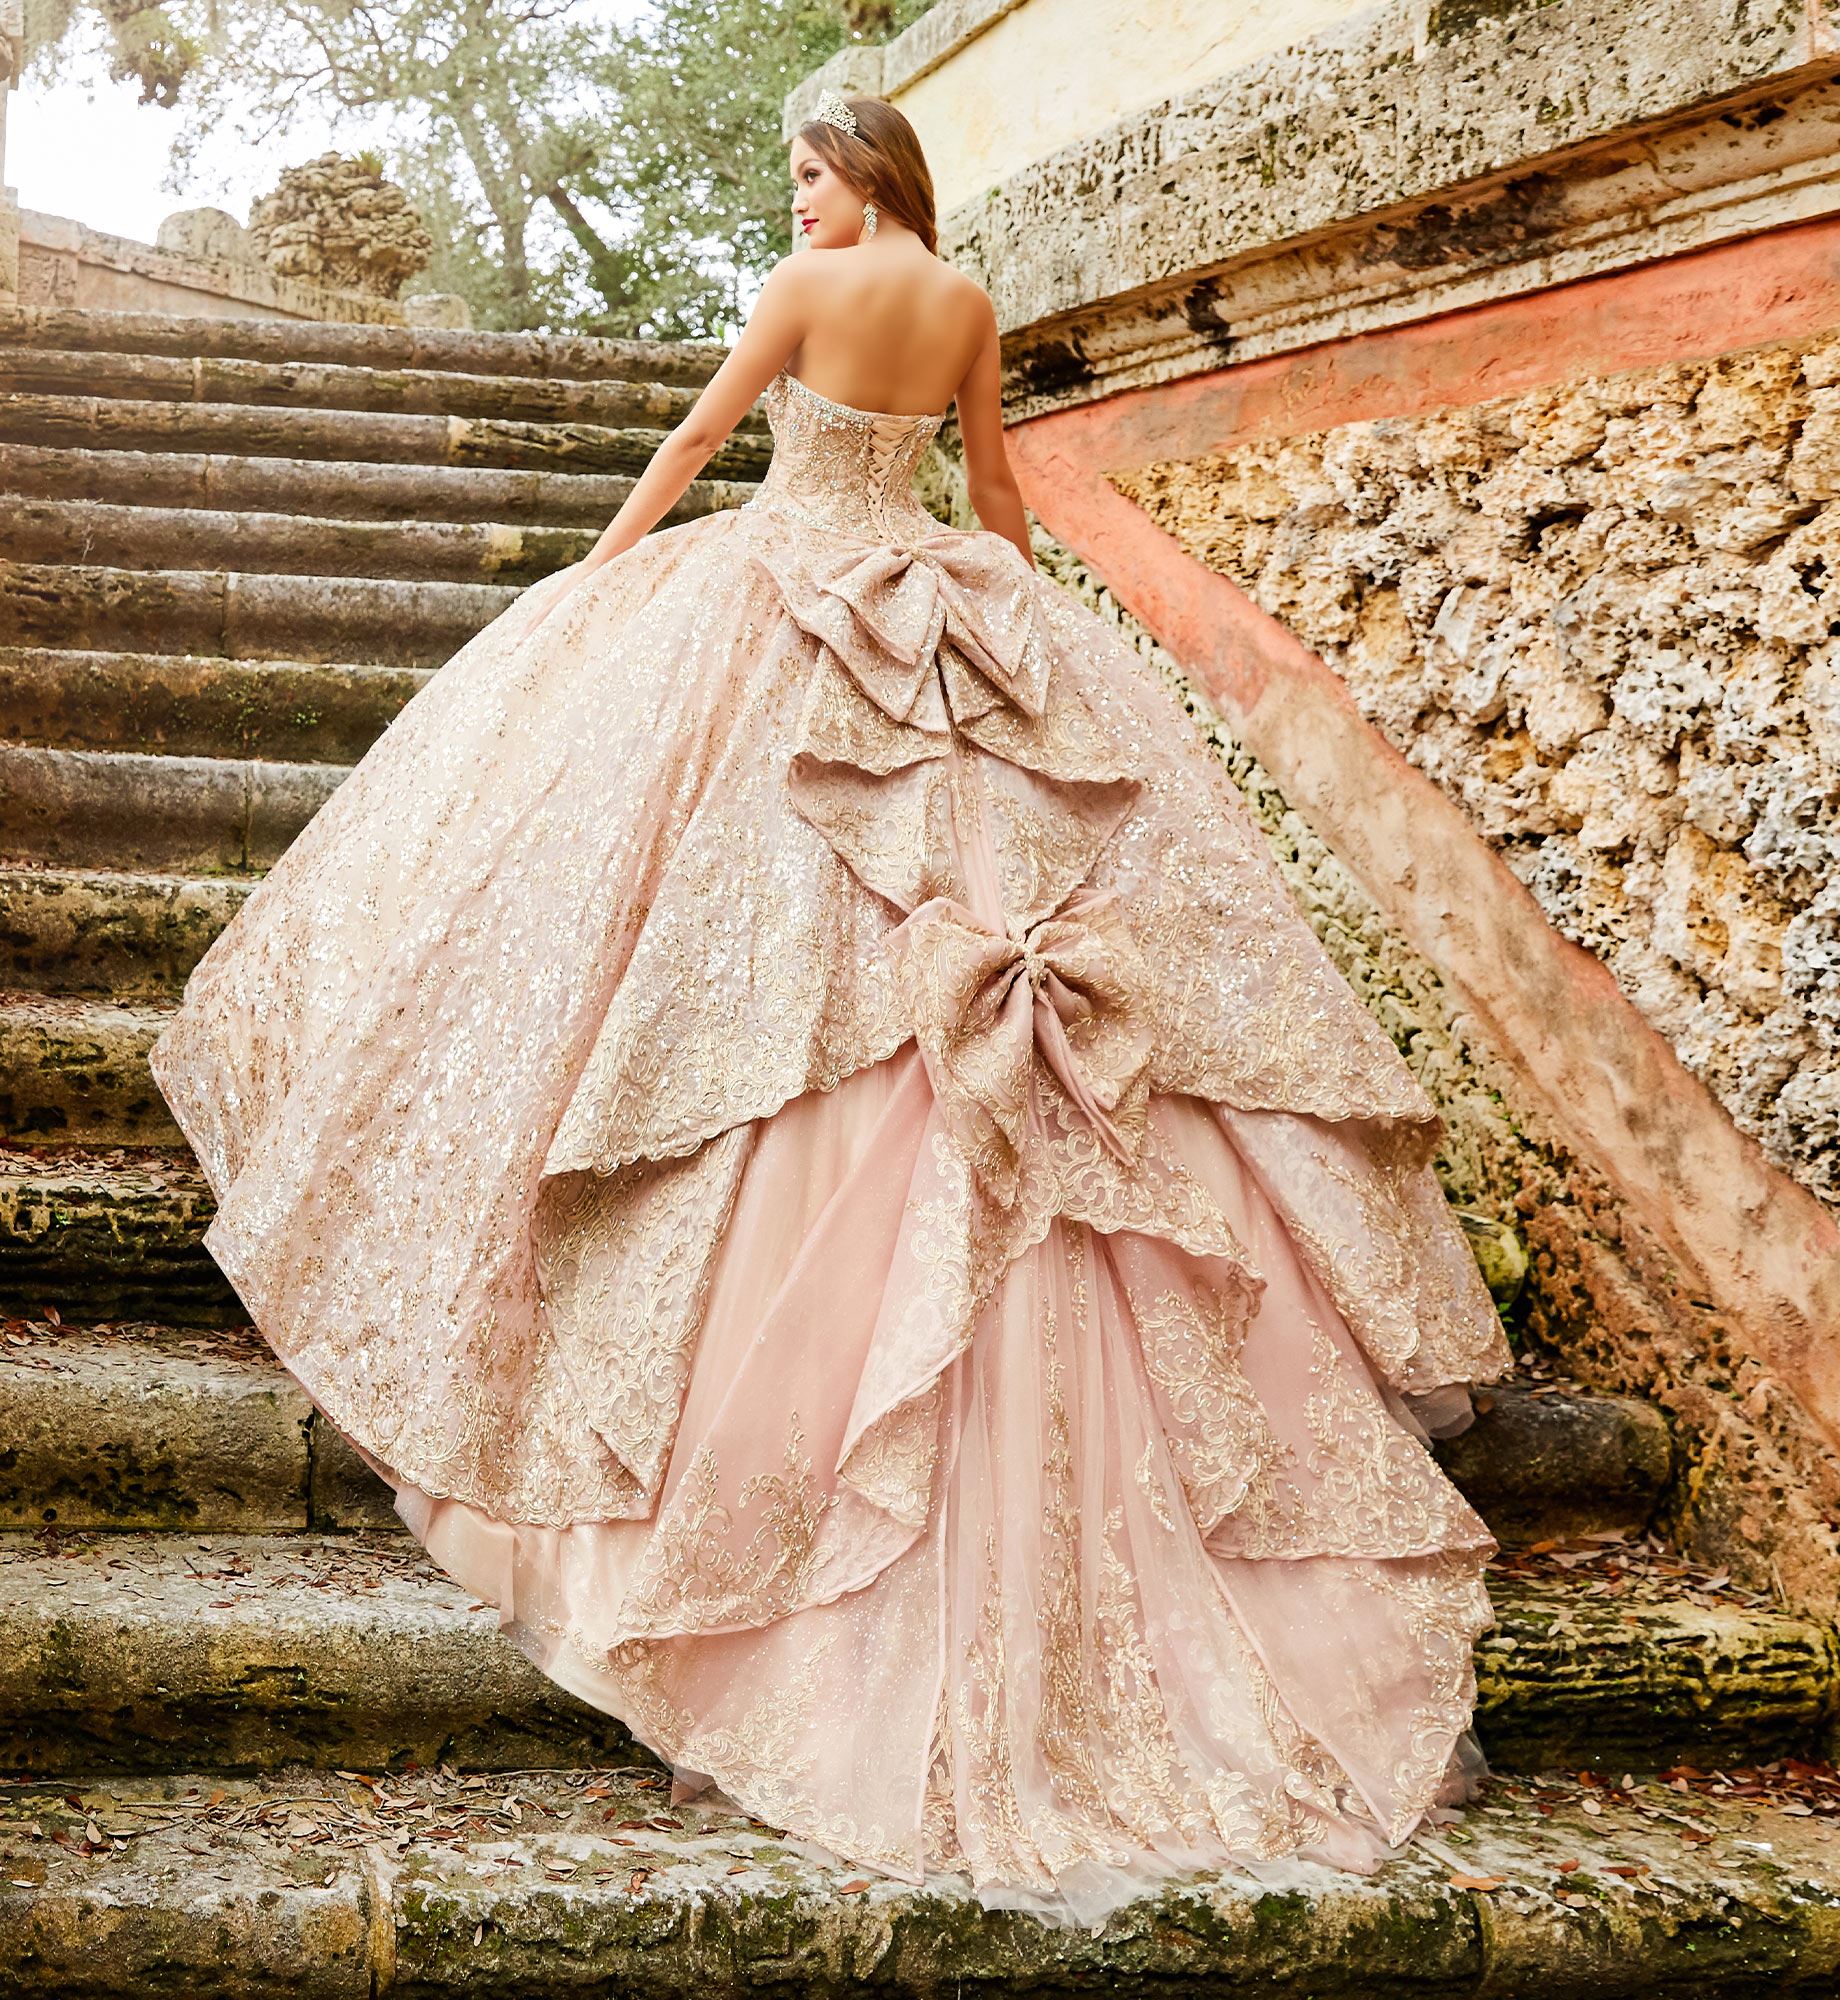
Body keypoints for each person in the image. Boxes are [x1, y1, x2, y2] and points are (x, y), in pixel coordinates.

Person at [149, 91, 1511, 1928]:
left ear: (865, 178)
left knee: (738, 947)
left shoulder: (810, 288)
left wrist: (609, 570)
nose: (795, 198)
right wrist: (1027, 664)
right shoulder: (963, 300)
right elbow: (999, 493)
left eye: (810, 171)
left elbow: (711, 438)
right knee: (938, 962)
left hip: (792, 597)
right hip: (956, 623)